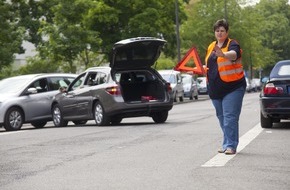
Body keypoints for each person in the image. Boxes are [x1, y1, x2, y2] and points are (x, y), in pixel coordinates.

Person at [205, 19, 246, 155]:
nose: (220, 33)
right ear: (214, 32)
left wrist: (223, 54)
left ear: (227, 32)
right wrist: (196, 69)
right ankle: (226, 143)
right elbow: (210, 65)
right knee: (222, 117)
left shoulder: (232, 44)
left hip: (233, 87)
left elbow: (234, 55)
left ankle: (231, 145)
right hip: (215, 89)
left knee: (230, 117)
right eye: (217, 30)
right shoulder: (211, 46)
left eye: (222, 30)